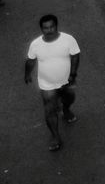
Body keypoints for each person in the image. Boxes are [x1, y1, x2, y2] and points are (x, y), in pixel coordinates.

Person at [24, 14, 80, 151]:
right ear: (41, 29)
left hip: (67, 81)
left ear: (56, 26)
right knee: (49, 110)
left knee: (70, 98)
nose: (49, 30)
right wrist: (27, 74)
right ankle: (55, 136)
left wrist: (73, 74)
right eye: (45, 28)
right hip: (46, 84)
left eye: (51, 27)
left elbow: (75, 56)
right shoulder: (35, 44)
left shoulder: (68, 39)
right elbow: (30, 61)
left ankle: (66, 109)